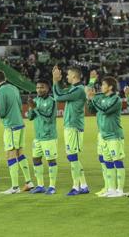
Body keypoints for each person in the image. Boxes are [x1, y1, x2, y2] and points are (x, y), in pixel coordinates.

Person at [0, 71, 33, 195]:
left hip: (11, 127)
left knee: (10, 155)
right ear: (6, 78)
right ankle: (29, 182)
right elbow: (20, 105)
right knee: (20, 153)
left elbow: (2, 112)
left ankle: (15, 187)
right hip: (20, 124)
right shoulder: (14, 88)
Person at [52, 66, 89, 196]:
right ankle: (83, 185)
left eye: (68, 75)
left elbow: (58, 97)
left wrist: (55, 80)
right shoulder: (74, 89)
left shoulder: (78, 90)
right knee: (72, 156)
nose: (66, 77)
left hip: (74, 127)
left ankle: (76, 187)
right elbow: (60, 93)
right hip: (70, 126)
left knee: (72, 156)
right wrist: (56, 81)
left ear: (74, 76)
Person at [87, 77, 125, 197]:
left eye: (103, 85)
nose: (101, 87)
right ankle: (111, 189)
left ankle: (120, 190)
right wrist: (89, 99)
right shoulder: (101, 97)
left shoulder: (116, 99)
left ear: (110, 87)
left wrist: (94, 99)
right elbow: (92, 110)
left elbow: (105, 110)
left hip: (114, 136)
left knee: (117, 161)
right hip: (103, 136)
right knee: (108, 162)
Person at [27, 80, 58, 195]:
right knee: (36, 159)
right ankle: (40, 185)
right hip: (38, 137)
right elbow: (30, 117)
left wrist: (35, 108)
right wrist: (30, 107)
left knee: (50, 160)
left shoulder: (52, 102)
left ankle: (52, 186)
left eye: (42, 87)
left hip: (49, 136)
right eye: (37, 87)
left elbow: (48, 118)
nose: (39, 89)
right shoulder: (36, 100)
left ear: (47, 89)